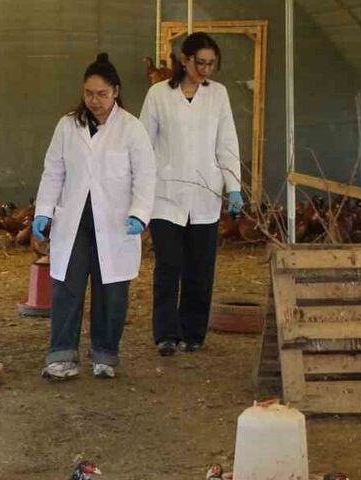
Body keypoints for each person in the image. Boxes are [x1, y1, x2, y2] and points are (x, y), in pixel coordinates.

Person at [33, 53, 156, 380]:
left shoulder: (132, 128)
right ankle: (61, 356)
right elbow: (53, 172)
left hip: (115, 223)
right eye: (89, 93)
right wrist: (43, 211)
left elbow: (145, 176)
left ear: (115, 91)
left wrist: (139, 214)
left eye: (102, 94)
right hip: (73, 221)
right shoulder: (67, 125)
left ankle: (105, 354)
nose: (95, 100)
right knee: (67, 288)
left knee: (111, 290)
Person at [140, 31, 242, 356]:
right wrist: (140, 192)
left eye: (212, 64)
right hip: (165, 195)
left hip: (205, 195)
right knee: (169, 266)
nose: (206, 70)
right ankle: (166, 333)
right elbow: (143, 144)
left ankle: (194, 332)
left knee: (200, 267)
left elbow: (227, 143)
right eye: (201, 63)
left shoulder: (218, 95)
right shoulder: (158, 95)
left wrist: (234, 187)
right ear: (184, 60)